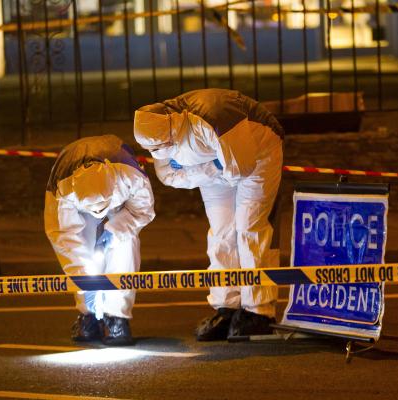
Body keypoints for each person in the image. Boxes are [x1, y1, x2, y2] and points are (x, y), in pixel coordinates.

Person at [133, 88, 284, 340]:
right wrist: (214, 165)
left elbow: (240, 166)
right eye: (158, 148)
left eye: (168, 144)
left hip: (260, 156)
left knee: (249, 227)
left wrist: (203, 168)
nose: (165, 150)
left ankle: (259, 311)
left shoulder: (214, 115)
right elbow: (169, 176)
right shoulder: (154, 135)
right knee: (221, 233)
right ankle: (227, 306)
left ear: (173, 125)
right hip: (219, 165)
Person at [44, 135, 155, 346]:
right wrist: (84, 282)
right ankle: (87, 314)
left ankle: (117, 317)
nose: (98, 213)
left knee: (125, 244)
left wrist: (115, 229)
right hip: (79, 207)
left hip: (120, 207)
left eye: (100, 207)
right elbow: (64, 236)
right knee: (82, 245)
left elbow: (142, 210)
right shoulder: (63, 188)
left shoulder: (131, 175)